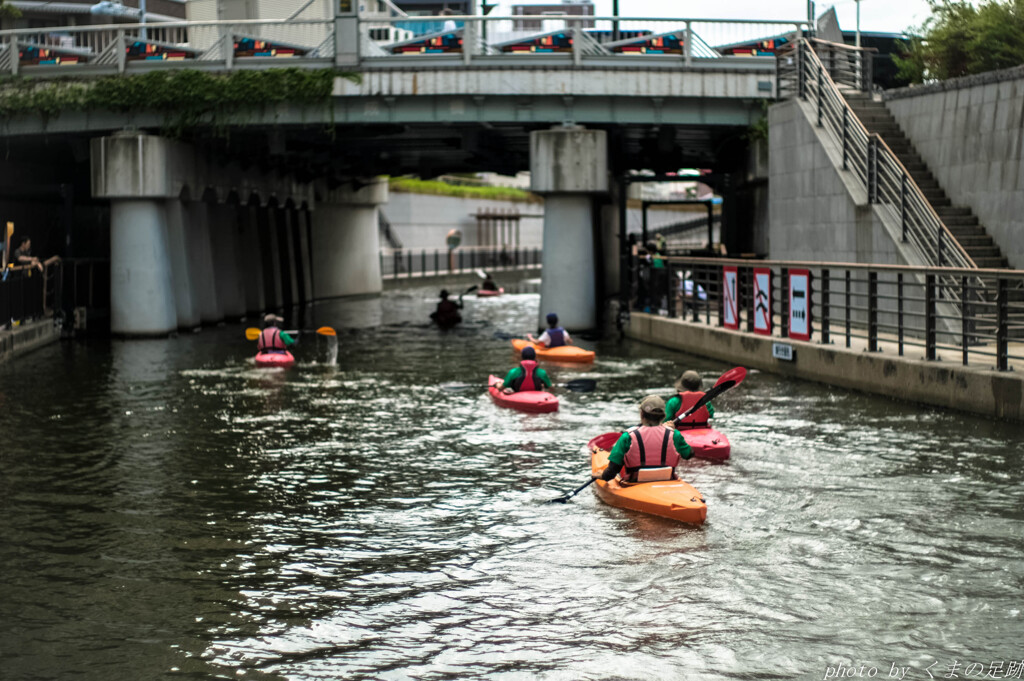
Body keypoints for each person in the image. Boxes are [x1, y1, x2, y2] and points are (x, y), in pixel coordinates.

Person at [599, 395, 693, 483]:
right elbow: (688, 454)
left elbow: (611, 473)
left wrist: (599, 476)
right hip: (667, 480)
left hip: (635, 483)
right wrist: (671, 431)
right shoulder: (674, 434)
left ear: (642, 414)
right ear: (664, 416)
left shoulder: (628, 436)